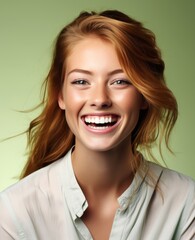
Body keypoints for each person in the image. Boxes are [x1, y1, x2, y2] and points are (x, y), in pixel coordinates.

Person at [0, 10, 194, 240]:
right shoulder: (14, 212)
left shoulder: (185, 202)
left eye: (120, 81)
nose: (100, 99)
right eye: (81, 81)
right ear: (60, 95)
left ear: (143, 95)